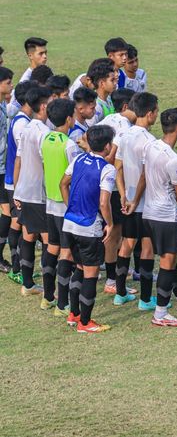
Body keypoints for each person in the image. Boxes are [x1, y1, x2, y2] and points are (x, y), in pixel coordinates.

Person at [129, 107, 177, 324]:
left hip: (149, 214)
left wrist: (135, 202)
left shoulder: (151, 146)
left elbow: (143, 176)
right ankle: (160, 314)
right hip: (166, 217)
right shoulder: (174, 160)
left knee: (170, 260)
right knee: (167, 262)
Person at [60, 125, 116, 333]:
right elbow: (104, 203)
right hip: (88, 226)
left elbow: (62, 184)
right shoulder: (107, 169)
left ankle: (73, 314)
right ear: (108, 145)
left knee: (80, 269)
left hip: (70, 223)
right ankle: (85, 322)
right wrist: (109, 224)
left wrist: (71, 207)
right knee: (90, 274)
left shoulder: (78, 159)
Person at [114, 92, 158, 308]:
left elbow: (117, 167)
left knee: (127, 244)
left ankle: (120, 293)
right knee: (147, 248)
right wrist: (135, 199)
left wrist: (123, 195)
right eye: (156, 111)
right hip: (144, 205)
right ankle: (146, 299)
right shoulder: (150, 142)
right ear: (149, 114)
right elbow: (144, 175)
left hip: (128, 200)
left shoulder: (125, 135)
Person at [41, 98, 81, 315]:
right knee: (66, 253)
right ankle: (62, 305)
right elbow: (74, 175)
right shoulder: (69, 145)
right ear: (69, 119)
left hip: (50, 204)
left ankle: (48, 297)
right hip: (65, 207)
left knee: (52, 248)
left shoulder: (46, 138)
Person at [13, 86, 52, 297]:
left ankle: (27, 283)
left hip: (25, 191)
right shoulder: (44, 133)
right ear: (44, 106)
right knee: (48, 241)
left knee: (28, 235)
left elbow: (19, 160)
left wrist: (17, 191)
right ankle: (49, 290)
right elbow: (47, 165)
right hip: (38, 193)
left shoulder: (27, 129)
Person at [100, 88, 137, 295]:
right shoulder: (123, 126)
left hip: (105, 185)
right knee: (114, 234)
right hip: (112, 187)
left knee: (115, 233)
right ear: (126, 107)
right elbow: (114, 160)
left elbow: (89, 139)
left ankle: (113, 275)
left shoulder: (109, 118)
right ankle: (112, 280)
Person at [5, 81, 37, 283]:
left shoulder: (23, 120)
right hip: (17, 183)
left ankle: (17, 266)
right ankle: (17, 267)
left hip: (17, 183)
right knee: (21, 225)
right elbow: (21, 159)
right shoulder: (22, 124)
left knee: (17, 223)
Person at [0, 67, 14, 272]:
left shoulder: (3, 104)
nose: (12, 85)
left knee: (7, 211)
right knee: (7, 212)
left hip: (3, 166)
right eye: (8, 82)